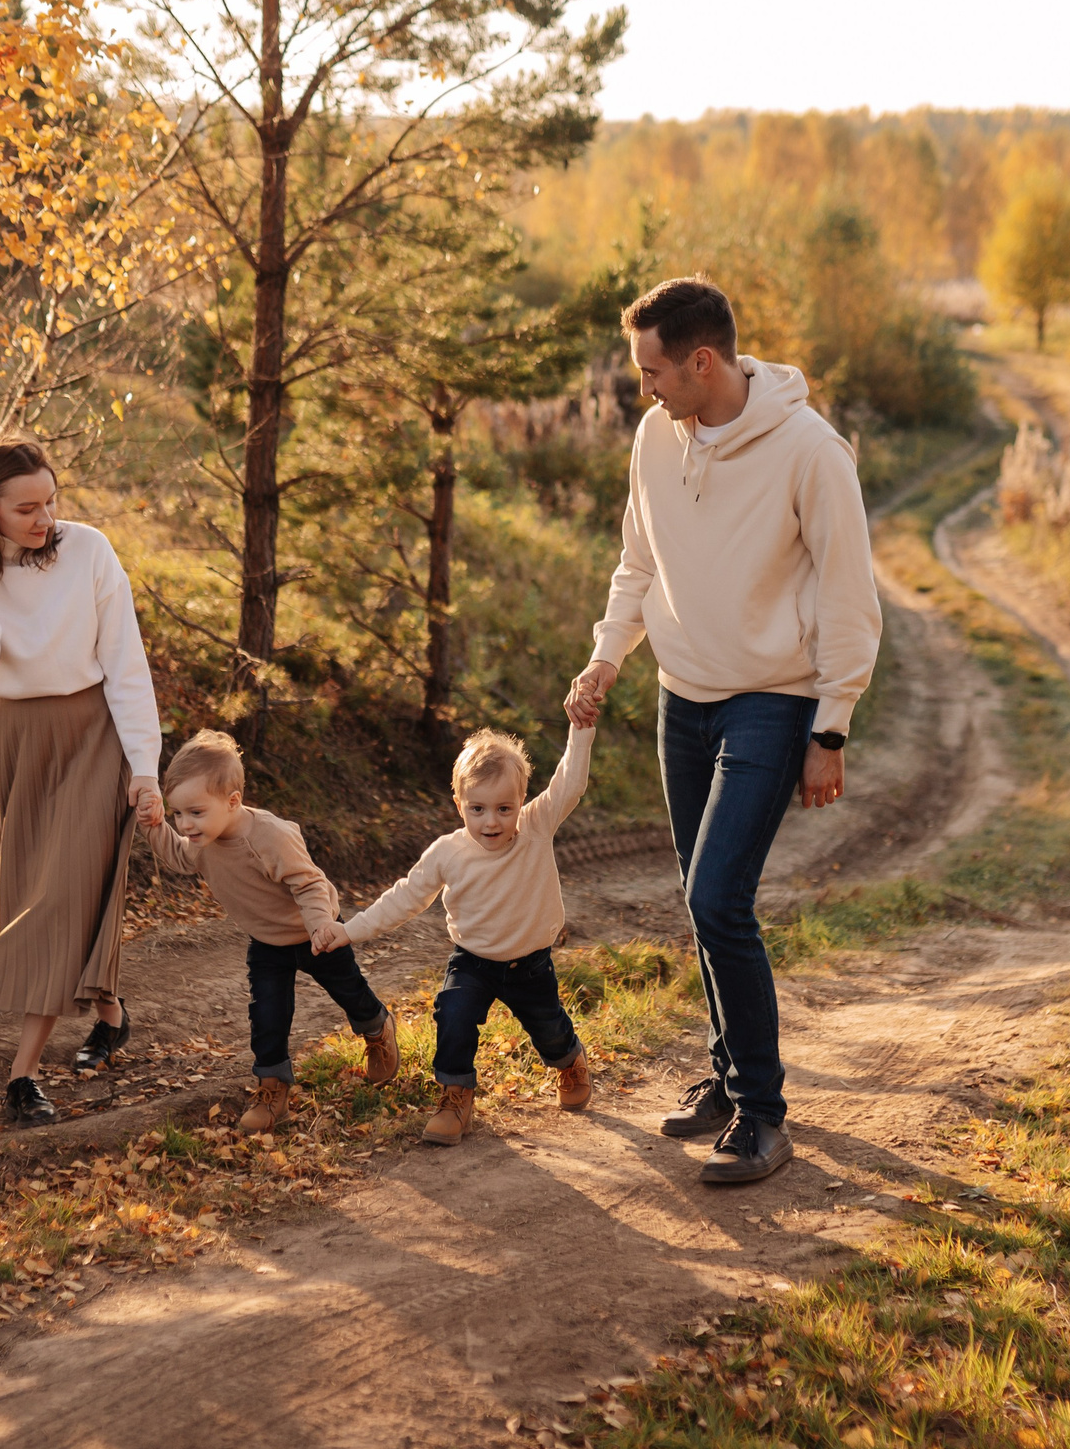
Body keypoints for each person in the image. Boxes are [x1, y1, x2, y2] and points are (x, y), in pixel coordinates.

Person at [564, 277, 881, 1185]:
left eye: (652, 371)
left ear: (702, 361)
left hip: (771, 700)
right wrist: (608, 656)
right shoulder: (655, 436)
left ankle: (763, 1114)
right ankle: (727, 1071)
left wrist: (831, 728)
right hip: (684, 695)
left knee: (717, 900)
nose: (643, 388)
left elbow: (849, 595)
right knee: (700, 896)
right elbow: (638, 560)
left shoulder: (811, 452)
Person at [0, 440, 164, 1128]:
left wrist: (144, 767)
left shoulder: (87, 550)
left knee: (63, 891)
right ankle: (110, 1014)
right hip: (16, 738)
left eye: (51, 501)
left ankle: (22, 1075)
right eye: (26, 507)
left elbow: (126, 662)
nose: (45, 518)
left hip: (95, 733)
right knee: (46, 887)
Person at [315, 726, 596, 1147]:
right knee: (453, 1015)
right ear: (459, 804)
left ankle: (569, 1060)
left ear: (522, 801)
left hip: (530, 964)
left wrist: (581, 729)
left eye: (505, 808)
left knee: (549, 1030)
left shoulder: (536, 825)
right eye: (477, 809)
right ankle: (455, 1095)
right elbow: (404, 898)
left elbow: (570, 783)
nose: (491, 821)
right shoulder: (447, 852)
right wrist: (349, 930)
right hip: (473, 961)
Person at [145, 730, 400, 1133]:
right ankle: (272, 1087)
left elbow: (309, 884)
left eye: (195, 812)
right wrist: (153, 825)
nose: (186, 824)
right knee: (267, 1015)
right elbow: (179, 856)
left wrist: (321, 926)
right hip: (267, 943)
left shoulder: (270, 836)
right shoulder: (202, 837)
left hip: (316, 935)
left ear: (233, 801)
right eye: (178, 814)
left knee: (351, 993)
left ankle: (377, 1028)